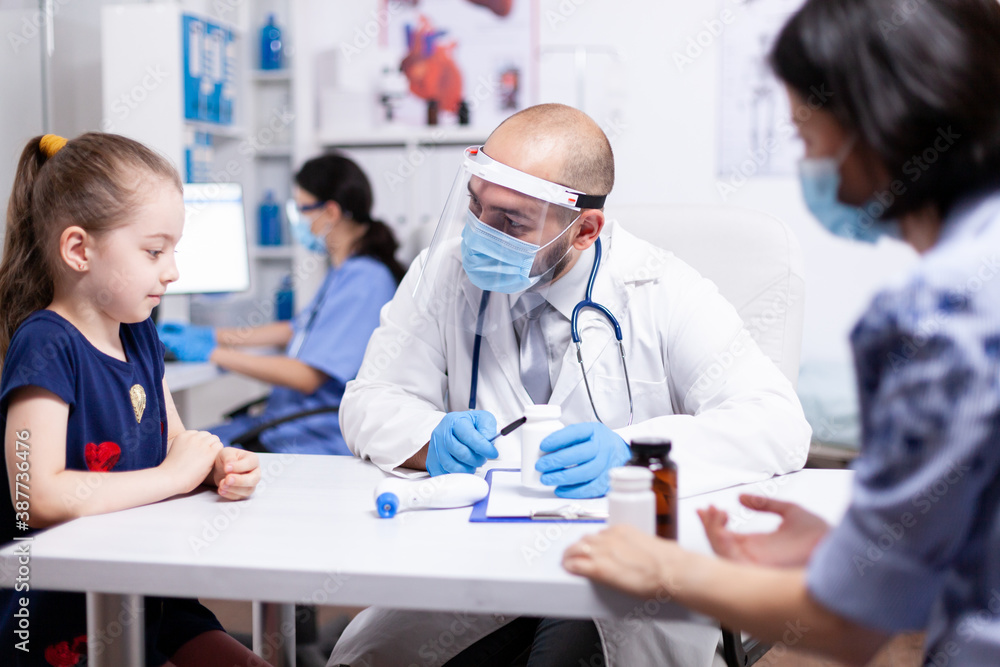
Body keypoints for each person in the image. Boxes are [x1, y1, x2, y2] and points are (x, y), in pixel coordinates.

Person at [563, 1, 1000, 665]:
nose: (808, 162)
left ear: (873, 121)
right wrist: (846, 547)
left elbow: (855, 621)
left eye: (806, 134)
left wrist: (667, 569)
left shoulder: (934, 313)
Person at [328, 104, 812, 666]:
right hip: (479, 555)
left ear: (585, 230)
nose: (481, 234)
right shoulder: (443, 272)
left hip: (622, 567)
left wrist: (635, 456)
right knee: (368, 658)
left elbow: (775, 421)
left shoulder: (661, 289)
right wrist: (427, 436)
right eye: (475, 207)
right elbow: (369, 398)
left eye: (511, 222)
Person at [0, 133, 262, 666]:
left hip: (152, 596)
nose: (172, 270)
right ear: (78, 250)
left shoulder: (138, 331)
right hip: (62, 619)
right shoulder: (46, 345)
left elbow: (174, 441)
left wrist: (213, 464)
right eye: (153, 251)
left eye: (173, 250)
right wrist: (174, 477)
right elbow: (36, 497)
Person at [158, 154, 403, 455]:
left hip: (312, 436)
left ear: (330, 212)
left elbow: (306, 377)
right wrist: (212, 334)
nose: (297, 220)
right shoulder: (346, 270)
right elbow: (296, 329)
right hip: (289, 421)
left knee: (175, 450)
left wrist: (213, 353)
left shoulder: (365, 280)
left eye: (301, 209)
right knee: (184, 444)